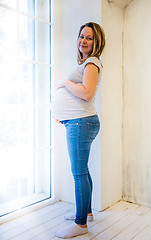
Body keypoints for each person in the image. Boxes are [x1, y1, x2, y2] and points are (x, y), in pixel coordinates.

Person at [52, 22, 105, 239]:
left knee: (79, 172)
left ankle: (81, 223)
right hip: (78, 122)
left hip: (81, 123)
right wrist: (63, 115)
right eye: (81, 36)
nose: (83, 40)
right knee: (82, 170)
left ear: (97, 42)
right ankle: (87, 212)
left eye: (89, 38)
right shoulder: (87, 63)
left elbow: (86, 93)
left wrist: (64, 83)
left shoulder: (92, 63)